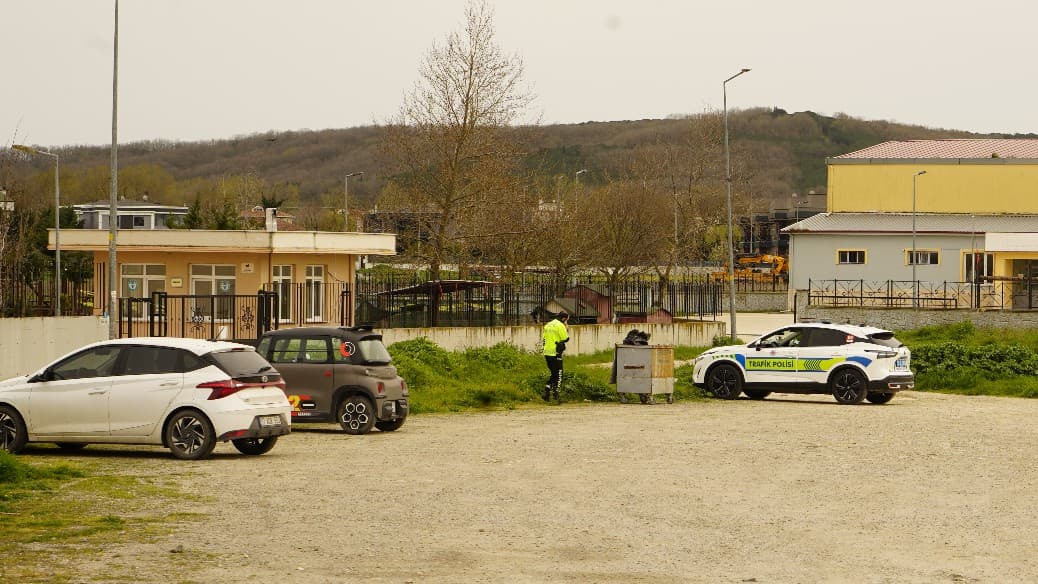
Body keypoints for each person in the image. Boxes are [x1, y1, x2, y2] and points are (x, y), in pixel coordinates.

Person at [542, 310, 570, 402]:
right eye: (566, 320)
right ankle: (556, 394)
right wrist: (566, 328)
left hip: (547, 352)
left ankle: (547, 391)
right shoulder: (560, 325)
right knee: (559, 373)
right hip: (556, 352)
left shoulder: (548, 325)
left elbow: (544, 338)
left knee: (553, 373)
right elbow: (565, 338)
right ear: (564, 319)